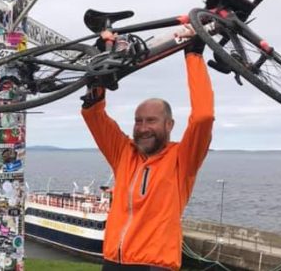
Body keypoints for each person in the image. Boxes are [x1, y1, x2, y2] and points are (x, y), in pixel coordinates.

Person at [81, 27, 214, 271]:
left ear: (169, 124)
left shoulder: (182, 159)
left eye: (151, 120)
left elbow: (203, 117)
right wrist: (98, 75)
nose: (143, 128)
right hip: (113, 261)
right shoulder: (123, 153)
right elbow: (94, 115)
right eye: (138, 120)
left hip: (154, 265)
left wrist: (193, 55)